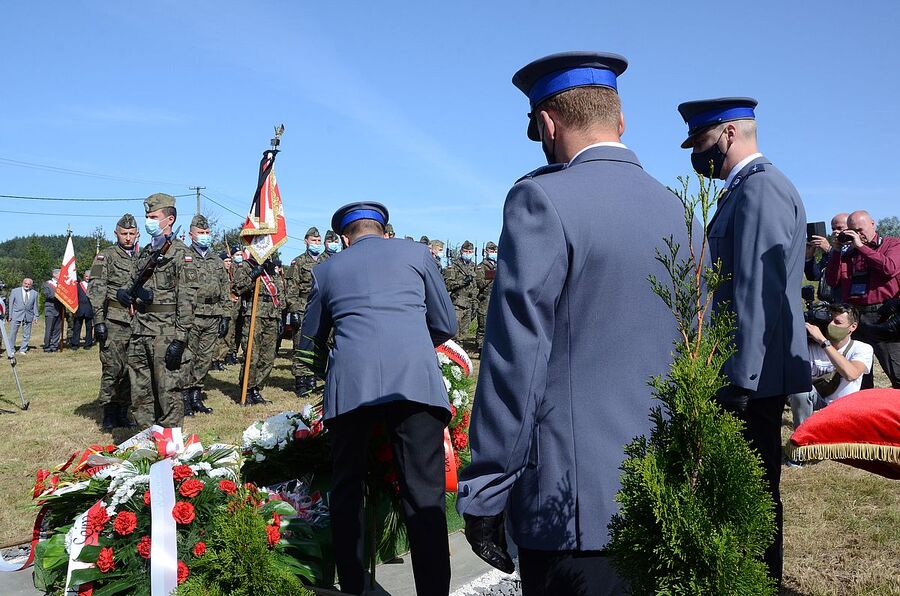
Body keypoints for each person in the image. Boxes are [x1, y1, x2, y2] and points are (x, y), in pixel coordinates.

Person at [458, 52, 687, 595]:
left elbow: (517, 360)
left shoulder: (541, 199)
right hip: (664, 491)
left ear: (547, 123)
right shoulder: (679, 209)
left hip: (572, 504)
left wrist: (487, 489)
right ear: (621, 120)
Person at [677, 96, 810, 586]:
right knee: (746, 494)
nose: (698, 154)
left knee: (751, 496)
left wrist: (740, 380)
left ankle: (758, 584)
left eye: (703, 141)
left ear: (729, 134)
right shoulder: (747, 189)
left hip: (752, 378)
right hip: (751, 372)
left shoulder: (760, 190)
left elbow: (755, 292)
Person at [300, 202, 456, 596]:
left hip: (352, 389)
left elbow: (308, 343)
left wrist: (334, 371)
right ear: (385, 231)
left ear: (342, 238)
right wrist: (411, 345)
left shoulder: (326, 269)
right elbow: (446, 325)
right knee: (424, 496)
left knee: (348, 490)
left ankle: (352, 586)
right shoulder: (417, 254)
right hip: (415, 386)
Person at [122, 193, 195, 428]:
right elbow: (132, 280)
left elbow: (187, 298)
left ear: (169, 219)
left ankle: (170, 445)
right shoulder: (145, 252)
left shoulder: (180, 253)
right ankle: (145, 439)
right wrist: (125, 293)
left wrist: (180, 339)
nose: (148, 220)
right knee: (140, 390)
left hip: (165, 332)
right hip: (140, 328)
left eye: (154, 216)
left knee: (168, 390)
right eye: (147, 216)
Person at [824, 210, 900, 389]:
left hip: (883, 316)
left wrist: (862, 248)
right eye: (853, 230)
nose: (858, 234)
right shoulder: (848, 252)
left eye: (861, 229)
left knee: (896, 371)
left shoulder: (892, 244)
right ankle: (865, 414)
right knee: (859, 378)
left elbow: (890, 268)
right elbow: (832, 281)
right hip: (856, 316)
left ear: (873, 224)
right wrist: (836, 251)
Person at [89, 213, 139, 430]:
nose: (127, 237)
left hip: (137, 321)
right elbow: (96, 289)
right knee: (113, 367)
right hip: (113, 321)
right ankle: (109, 410)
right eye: (123, 233)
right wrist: (98, 320)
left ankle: (123, 410)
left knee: (132, 369)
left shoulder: (142, 257)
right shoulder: (105, 256)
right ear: (116, 234)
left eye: (131, 233)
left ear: (137, 234)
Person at [788, 303, 873, 429]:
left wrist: (823, 341)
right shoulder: (808, 346)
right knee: (800, 390)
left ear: (853, 327)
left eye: (837, 322)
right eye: (829, 320)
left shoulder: (862, 348)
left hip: (842, 409)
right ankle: (802, 436)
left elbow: (851, 374)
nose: (831, 325)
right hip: (816, 400)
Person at [179, 214, 230, 416]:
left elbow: (225, 288)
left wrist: (225, 315)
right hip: (192, 314)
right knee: (187, 356)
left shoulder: (216, 260)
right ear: (191, 235)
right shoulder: (184, 257)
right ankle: (184, 396)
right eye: (201, 233)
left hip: (213, 314)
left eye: (208, 233)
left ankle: (196, 395)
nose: (205, 236)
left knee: (205, 357)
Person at [285, 227, 329, 397]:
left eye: (318, 241)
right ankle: (301, 382)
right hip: (303, 306)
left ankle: (313, 379)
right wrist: (294, 310)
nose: (316, 244)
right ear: (306, 242)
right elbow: (291, 289)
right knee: (301, 344)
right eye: (313, 241)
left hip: (322, 307)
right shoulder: (298, 262)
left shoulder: (327, 261)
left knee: (319, 343)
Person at [233, 255, 282, 405]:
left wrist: (279, 315)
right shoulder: (247, 266)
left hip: (272, 315)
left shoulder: (272, 268)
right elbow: (237, 288)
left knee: (267, 357)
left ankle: (256, 389)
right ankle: (246, 389)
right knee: (251, 355)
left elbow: (280, 293)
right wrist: (252, 275)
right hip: (254, 314)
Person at [805, 212, 849, 302]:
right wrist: (809, 257)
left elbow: (845, 272)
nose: (835, 232)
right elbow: (815, 276)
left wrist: (829, 250)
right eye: (833, 229)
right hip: (830, 303)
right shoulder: (831, 251)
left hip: (847, 301)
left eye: (840, 228)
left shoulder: (855, 249)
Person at [443, 240, 477, 343]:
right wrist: (463, 282)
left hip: (470, 303)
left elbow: (475, 285)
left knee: (464, 333)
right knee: (454, 332)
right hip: (457, 303)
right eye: (465, 251)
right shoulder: (453, 266)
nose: (468, 254)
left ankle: (460, 354)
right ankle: (451, 354)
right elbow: (448, 285)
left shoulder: (473, 266)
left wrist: (475, 301)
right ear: (461, 251)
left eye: (470, 252)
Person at [211, 248, 241, 369]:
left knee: (229, 335)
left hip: (231, 309)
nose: (228, 263)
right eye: (226, 261)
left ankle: (221, 359)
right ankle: (214, 360)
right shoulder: (217, 274)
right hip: (220, 308)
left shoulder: (231, 274)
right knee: (220, 335)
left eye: (229, 261)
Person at [474, 241, 497, 352]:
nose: (493, 253)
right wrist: (491, 276)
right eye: (491, 251)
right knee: (483, 325)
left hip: (496, 299)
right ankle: (480, 348)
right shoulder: (481, 267)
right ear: (486, 252)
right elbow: (479, 283)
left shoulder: (499, 265)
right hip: (484, 299)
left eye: (495, 251)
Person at [8, 278, 39, 354]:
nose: (27, 285)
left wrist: (36, 316)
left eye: (29, 284)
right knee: (13, 333)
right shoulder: (15, 291)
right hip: (16, 315)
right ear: (23, 283)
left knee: (27, 334)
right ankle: (11, 349)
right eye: (25, 283)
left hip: (28, 315)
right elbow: (10, 304)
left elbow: (35, 306)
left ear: (31, 285)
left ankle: (23, 349)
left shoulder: (34, 293)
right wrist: (10, 315)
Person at [70, 271, 95, 349]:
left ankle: (88, 344)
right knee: (77, 327)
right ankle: (75, 344)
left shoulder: (94, 285)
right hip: (79, 309)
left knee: (89, 328)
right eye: (86, 276)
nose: (88, 278)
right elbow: (74, 297)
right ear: (84, 276)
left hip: (89, 309)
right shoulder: (78, 285)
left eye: (89, 276)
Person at [42, 269, 64, 352]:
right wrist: (60, 296)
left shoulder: (62, 284)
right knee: (49, 329)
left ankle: (54, 345)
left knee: (57, 329)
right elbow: (48, 295)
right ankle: (47, 346)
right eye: (60, 274)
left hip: (60, 309)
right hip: (51, 309)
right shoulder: (47, 284)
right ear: (55, 275)